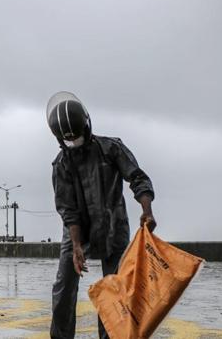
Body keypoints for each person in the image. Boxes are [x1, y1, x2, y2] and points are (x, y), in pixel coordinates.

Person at [46, 91, 156, 339]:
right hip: (76, 232)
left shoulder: (111, 148)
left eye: (77, 136)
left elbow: (137, 178)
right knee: (63, 288)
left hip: (113, 227)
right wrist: (75, 245)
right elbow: (68, 209)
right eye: (68, 139)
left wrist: (146, 210)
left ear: (87, 125)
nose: (74, 142)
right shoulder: (60, 165)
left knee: (114, 291)